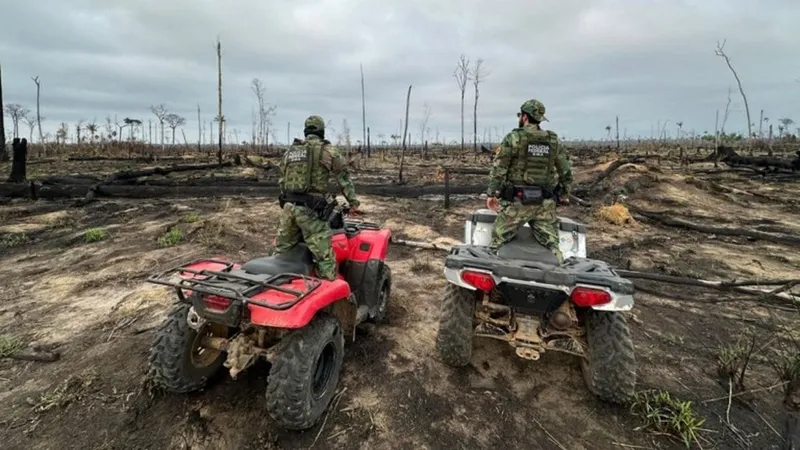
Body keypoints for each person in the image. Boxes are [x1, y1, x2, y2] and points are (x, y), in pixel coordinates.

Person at [485, 99, 573, 263]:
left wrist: (491, 194)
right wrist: (563, 195)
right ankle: (556, 275)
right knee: (552, 246)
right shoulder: (553, 141)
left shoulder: (513, 138)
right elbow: (566, 172)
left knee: (498, 242)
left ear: (524, 117)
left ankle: (494, 282)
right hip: (544, 205)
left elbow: (499, 169)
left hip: (516, 204)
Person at [274, 115, 360, 280]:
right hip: (311, 212)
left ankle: (278, 289)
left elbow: (282, 180)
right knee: (324, 258)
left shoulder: (291, 152)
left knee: (282, 254)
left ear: (306, 131)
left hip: (288, 209)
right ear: (321, 131)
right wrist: (353, 202)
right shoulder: (328, 151)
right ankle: (330, 300)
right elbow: (344, 178)